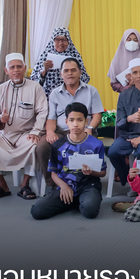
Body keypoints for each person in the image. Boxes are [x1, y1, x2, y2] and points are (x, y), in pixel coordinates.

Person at [0, 53, 48, 200]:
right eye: (12, 67)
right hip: (5, 134)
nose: (16, 70)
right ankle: (2, 185)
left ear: (25, 68)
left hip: (26, 133)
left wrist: (36, 131)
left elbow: (43, 112)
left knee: (33, 145)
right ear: (6, 70)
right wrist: (0, 119)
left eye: (19, 67)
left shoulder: (35, 87)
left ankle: (24, 185)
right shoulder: (0, 89)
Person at [30, 103, 106, 220]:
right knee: (37, 211)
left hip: (88, 186)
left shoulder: (96, 144)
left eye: (79, 120)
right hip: (65, 184)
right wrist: (63, 186)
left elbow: (102, 172)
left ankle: (80, 200)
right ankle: (74, 200)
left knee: (90, 211)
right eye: (71, 120)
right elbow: (53, 173)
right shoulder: (58, 145)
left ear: (86, 121)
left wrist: (91, 172)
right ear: (66, 122)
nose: (75, 124)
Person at [39, 57, 103, 188]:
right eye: (66, 71)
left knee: (85, 146)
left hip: (84, 130)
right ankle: (53, 185)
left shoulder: (91, 91)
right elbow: (51, 118)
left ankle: (85, 184)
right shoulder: (55, 94)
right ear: (61, 74)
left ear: (80, 72)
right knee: (42, 147)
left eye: (73, 70)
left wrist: (90, 128)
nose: (70, 73)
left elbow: (97, 115)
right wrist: (50, 132)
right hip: (62, 132)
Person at [30, 27, 91, 97]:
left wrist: (73, 73)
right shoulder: (45, 56)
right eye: (57, 40)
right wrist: (43, 72)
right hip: (48, 97)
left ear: (69, 41)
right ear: (52, 41)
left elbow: (85, 79)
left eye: (64, 40)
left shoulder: (75, 56)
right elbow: (34, 80)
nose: (61, 43)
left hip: (71, 96)